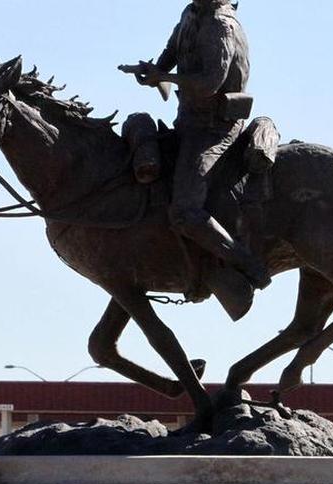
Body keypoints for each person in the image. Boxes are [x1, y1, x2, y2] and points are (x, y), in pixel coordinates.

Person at [124, 0, 270, 317]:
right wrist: (151, 71)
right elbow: (169, 55)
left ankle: (246, 265)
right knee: (136, 126)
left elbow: (209, 83)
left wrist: (165, 77)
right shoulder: (190, 14)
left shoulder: (221, 24)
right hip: (187, 122)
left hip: (215, 130)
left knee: (185, 211)